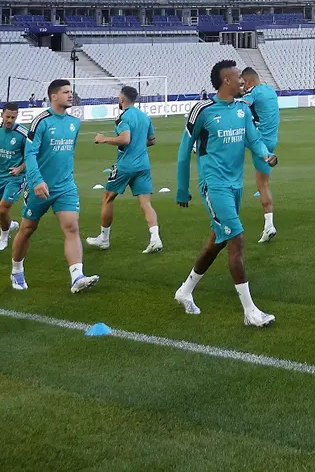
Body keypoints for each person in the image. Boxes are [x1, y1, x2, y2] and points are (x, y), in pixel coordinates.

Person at [174, 61, 278, 326]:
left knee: (216, 242)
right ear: (226, 81)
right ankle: (250, 312)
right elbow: (184, 152)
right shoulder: (203, 110)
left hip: (235, 185)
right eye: (238, 79)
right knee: (237, 238)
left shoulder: (243, 109)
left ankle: (185, 291)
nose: (243, 82)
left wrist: (266, 155)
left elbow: (253, 139)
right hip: (214, 185)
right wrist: (182, 189)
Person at [10, 80, 99, 293]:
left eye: (71, 91)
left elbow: (68, 153)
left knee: (72, 226)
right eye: (66, 92)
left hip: (65, 186)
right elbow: (30, 154)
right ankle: (16, 269)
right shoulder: (41, 121)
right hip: (38, 186)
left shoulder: (74, 122)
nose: (71, 95)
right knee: (27, 229)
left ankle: (77, 276)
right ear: (53, 96)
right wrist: (37, 181)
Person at [85, 87, 161, 253]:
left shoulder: (123, 117)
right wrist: (139, 145)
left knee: (107, 198)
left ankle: (104, 239)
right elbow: (152, 140)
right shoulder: (144, 116)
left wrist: (104, 139)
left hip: (126, 165)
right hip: (143, 165)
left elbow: (125, 139)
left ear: (122, 99)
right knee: (146, 203)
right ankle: (155, 238)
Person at [240, 67, 281, 243]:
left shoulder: (253, 93)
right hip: (272, 138)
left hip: (259, 140)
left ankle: (269, 225)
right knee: (264, 182)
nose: (242, 87)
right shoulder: (270, 89)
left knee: (262, 185)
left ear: (249, 82)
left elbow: (243, 105)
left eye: (243, 84)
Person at [0, 103, 27, 252]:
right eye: (7, 116)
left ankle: (3, 237)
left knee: (2, 210)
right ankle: (10, 224)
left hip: (15, 177)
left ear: (17, 116)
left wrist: (20, 168)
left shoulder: (23, 134)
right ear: (2, 115)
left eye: (13, 117)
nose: (10, 120)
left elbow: (32, 156)